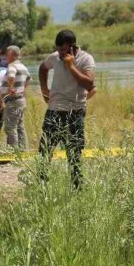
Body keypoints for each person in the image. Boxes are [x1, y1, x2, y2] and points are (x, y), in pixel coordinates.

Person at [38, 30, 95, 189]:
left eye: (63, 50)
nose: (60, 53)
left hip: (75, 112)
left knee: (74, 155)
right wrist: (44, 89)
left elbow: (89, 84)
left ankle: (77, 189)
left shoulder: (86, 59)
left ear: (72, 46)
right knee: (44, 151)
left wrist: (71, 66)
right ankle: (42, 188)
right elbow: (43, 68)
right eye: (58, 49)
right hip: (54, 111)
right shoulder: (55, 57)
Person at [0, 45, 29, 150]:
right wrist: (23, 89)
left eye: (6, 54)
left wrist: (11, 88)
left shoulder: (12, 66)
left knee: (10, 127)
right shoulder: (23, 66)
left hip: (12, 100)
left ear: (12, 55)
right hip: (20, 100)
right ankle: (23, 150)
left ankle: (14, 152)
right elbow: (29, 78)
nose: (5, 57)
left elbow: (11, 76)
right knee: (20, 126)